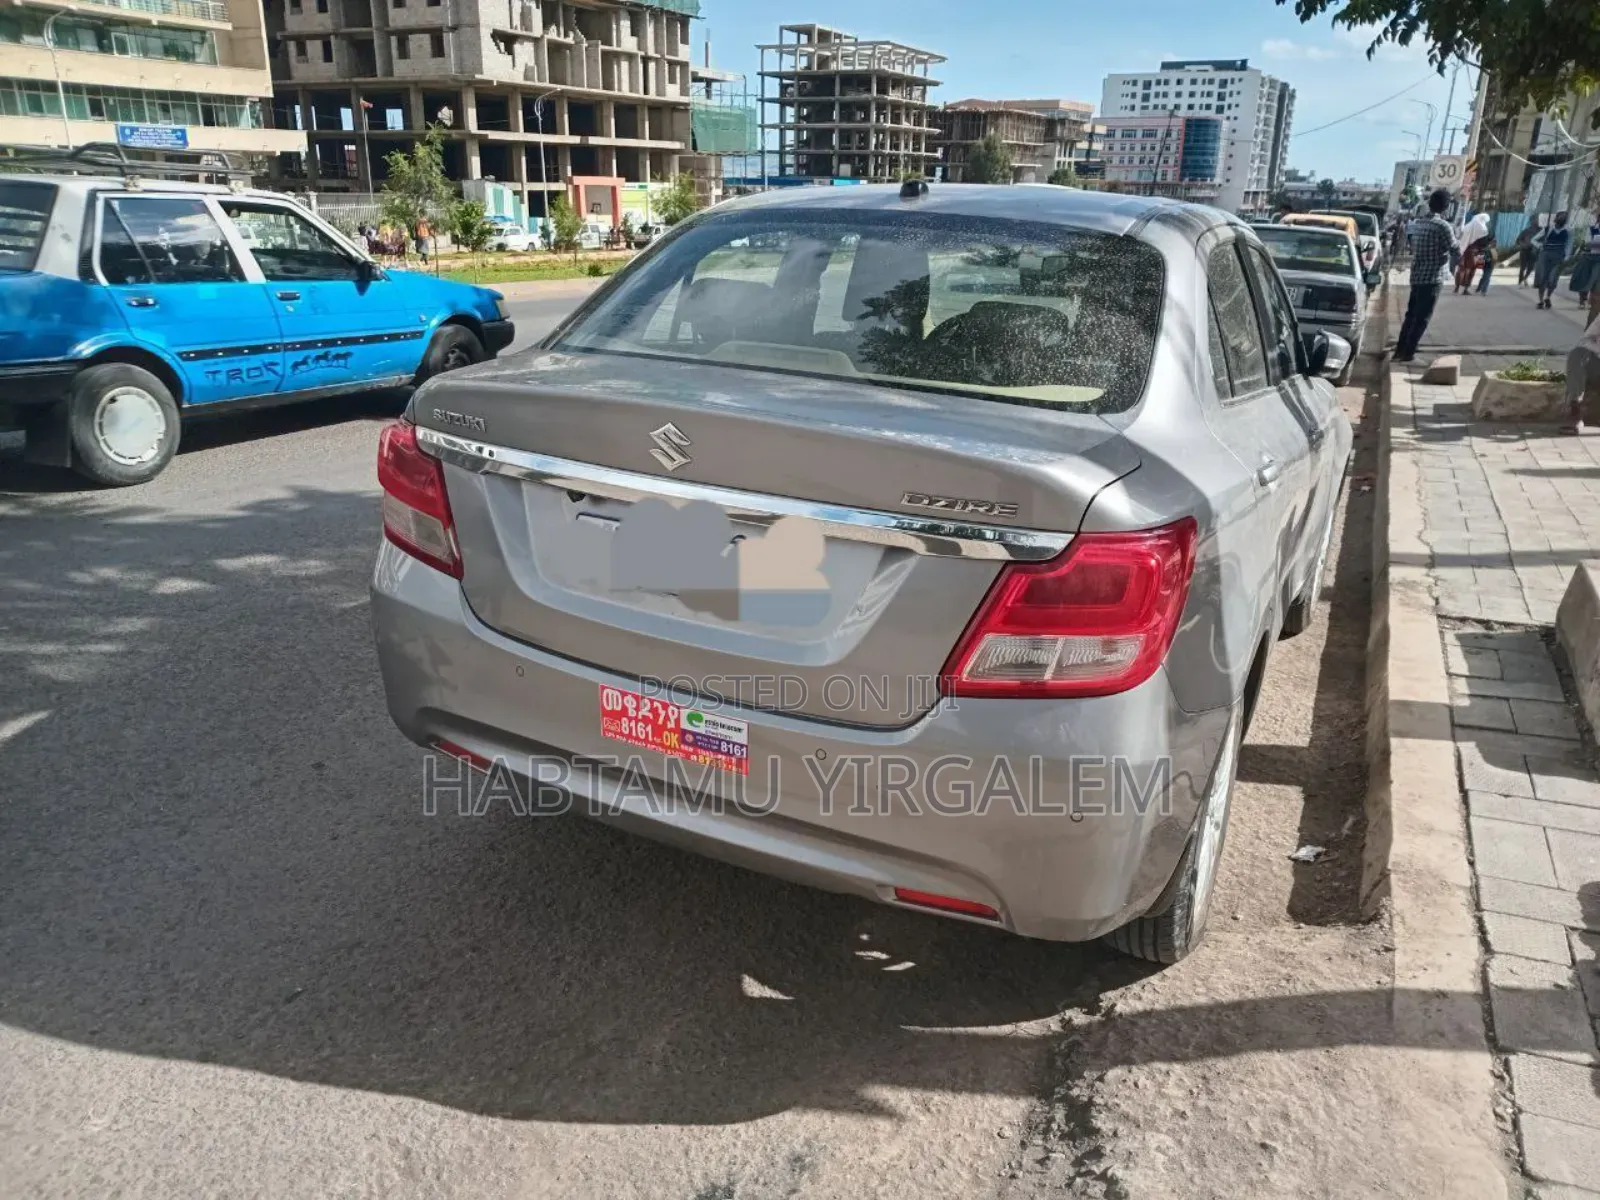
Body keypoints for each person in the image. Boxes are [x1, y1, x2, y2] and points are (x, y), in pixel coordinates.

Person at [1394, 188, 1454, 363]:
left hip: (1417, 274)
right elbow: (1454, 247)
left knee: (1411, 315)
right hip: (1433, 277)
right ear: (1445, 207)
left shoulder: (1418, 224)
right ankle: (1409, 353)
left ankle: (1400, 350)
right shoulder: (1443, 226)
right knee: (1422, 318)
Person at [1534, 211, 1571, 309]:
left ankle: (1548, 297)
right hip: (1545, 255)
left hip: (1558, 256)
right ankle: (1540, 300)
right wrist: (1540, 246)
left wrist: (1566, 256)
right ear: (1556, 218)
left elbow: (1569, 245)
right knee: (1542, 278)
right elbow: (1534, 239)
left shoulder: (1568, 231)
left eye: (1564, 218)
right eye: (1560, 217)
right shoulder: (1548, 229)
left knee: (1552, 279)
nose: (1562, 219)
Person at [1454, 212, 1491, 294]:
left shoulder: (1467, 226)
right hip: (1475, 252)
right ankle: (1465, 289)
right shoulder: (1483, 229)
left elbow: (1461, 237)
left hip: (1463, 250)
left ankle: (1456, 288)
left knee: (1461, 269)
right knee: (1471, 271)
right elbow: (1484, 243)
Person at [1570, 217, 1600, 306]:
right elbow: (1587, 242)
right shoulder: (1591, 228)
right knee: (1584, 278)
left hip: (1598, 259)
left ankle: (1591, 300)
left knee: (1594, 278)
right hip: (1588, 256)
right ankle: (1582, 299)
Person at [1513, 221, 1540, 286]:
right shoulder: (1526, 231)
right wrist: (1523, 245)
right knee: (1523, 267)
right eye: (1535, 222)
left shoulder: (1541, 231)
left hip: (1534, 251)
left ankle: (1525, 278)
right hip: (1524, 250)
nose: (1536, 224)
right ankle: (1520, 282)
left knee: (1531, 267)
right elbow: (1518, 240)